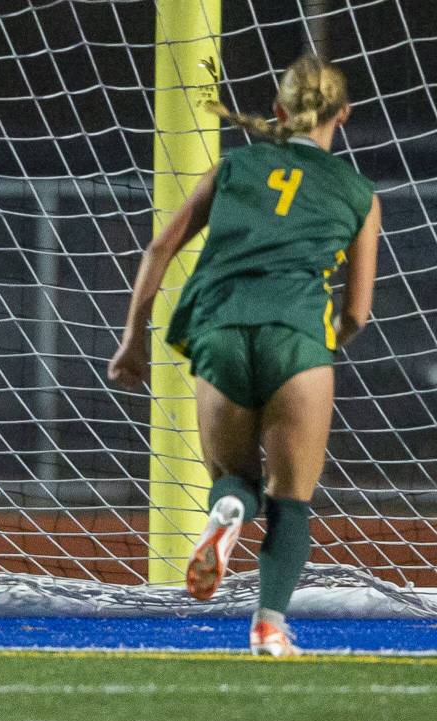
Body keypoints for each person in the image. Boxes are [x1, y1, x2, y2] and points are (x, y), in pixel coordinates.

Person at [108, 54, 380, 656]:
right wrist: (322, 342)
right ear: (344, 114)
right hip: (297, 338)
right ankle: (268, 627)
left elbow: (159, 247)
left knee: (233, 478)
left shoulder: (233, 166)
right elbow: (357, 313)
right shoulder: (358, 193)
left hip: (220, 331)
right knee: (292, 502)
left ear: (278, 111)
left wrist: (133, 341)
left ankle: (228, 507)